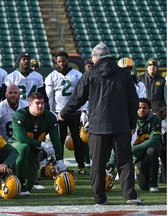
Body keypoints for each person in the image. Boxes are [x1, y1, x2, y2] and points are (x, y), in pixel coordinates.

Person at [58, 42, 142, 205]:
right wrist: (132, 123)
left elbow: (77, 98)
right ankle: (130, 196)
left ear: (96, 58)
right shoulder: (123, 74)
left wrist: (63, 113)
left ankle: (99, 198)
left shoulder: (90, 74)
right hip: (121, 125)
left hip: (97, 126)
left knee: (97, 164)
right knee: (124, 161)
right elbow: (133, 101)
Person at [10, 92, 66, 195]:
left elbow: (56, 140)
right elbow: (21, 138)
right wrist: (42, 144)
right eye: (37, 103)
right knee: (24, 147)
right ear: (30, 104)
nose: (40, 106)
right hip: (15, 147)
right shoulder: (20, 114)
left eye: (42, 103)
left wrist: (59, 160)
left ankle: (24, 183)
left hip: (34, 150)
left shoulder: (49, 117)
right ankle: (19, 180)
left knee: (29, 185)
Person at [45, 51, 89, 174]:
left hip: (75, 112)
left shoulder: (77, 74)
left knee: (78, 139)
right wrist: (52, 113)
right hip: (59, 113)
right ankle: (60, 164)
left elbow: (82, 94)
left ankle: (82, 166)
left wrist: (84, 109)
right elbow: (50, 97)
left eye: (63, 61)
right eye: (59, 61)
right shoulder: (51, 76)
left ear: (67, 60)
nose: (61, 63)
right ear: (56, 62)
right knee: (59, 140)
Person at [132, 98, 162, 192]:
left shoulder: (155, 119)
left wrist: (134, 148)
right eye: (139, 108)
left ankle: (153, 183)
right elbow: (120, 140)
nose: (141, 110)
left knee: (152, 150)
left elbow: (153, 140)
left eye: (144, 108)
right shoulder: (129, 119)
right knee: (143, 185)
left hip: (149, 150)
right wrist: (112, 162)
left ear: (149, 109)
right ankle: (147, 181)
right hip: (138, 155)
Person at [152, 100, 166, 184]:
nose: (164, 113)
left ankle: (164, 177)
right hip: (153, 144)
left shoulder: (164, 120)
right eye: (162, 111)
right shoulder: (153, 119)